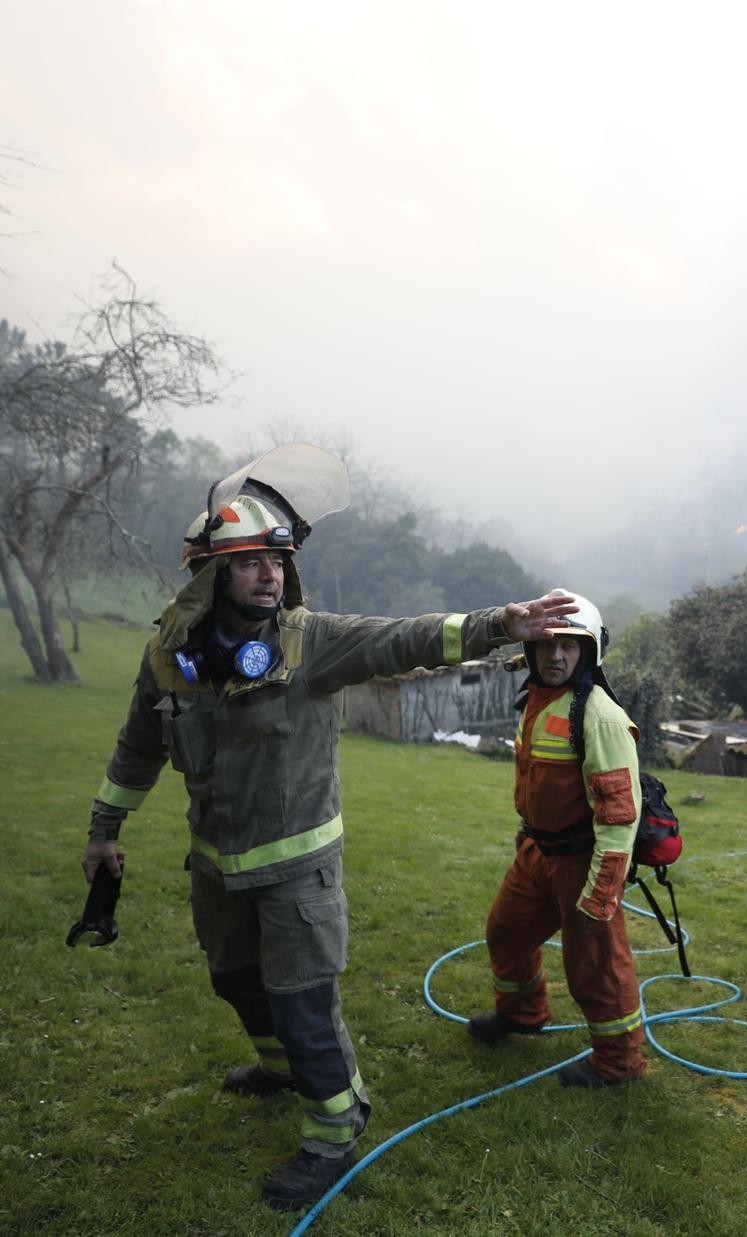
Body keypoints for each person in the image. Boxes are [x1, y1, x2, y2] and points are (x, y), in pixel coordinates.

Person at [80, 447, 579, 1211]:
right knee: (235, 980)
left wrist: (501, 624)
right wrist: (105, 826)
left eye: (278, 559)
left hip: (297, 873)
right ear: (209, 574)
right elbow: (139, 743)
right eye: (249, 562)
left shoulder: (311, 641)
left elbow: (406, 637)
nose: (270, 575)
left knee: (305, 1003)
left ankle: (335, 1127)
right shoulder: (170, 658)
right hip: (216, 867)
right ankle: (278, 1067)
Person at [466, 592, 649, 1087]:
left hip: (582, 862)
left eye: (569, 646)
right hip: (536, 854)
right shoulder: (536, 701)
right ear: (529, 650)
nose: (556, 657)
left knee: (595, 965)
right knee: (506, 932)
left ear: (589, 652)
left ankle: (618, 1061)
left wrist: (602, 892)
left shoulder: (601, 717)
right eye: (546, 645)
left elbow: (618, 817)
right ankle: (522, 1013)